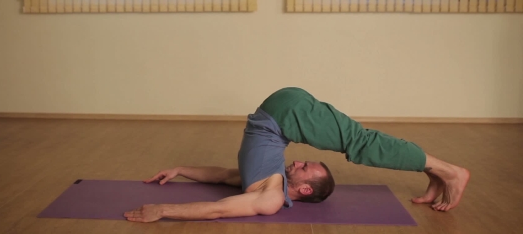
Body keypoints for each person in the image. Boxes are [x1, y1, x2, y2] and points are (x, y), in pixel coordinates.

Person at [125, 87, 470, 222]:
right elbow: (220, 194)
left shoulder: (268, 195)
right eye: (308, 162)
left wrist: (167, 198)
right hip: (284, 113)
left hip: (284, 112)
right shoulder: (269, 187)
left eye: (306, 167)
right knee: (362, 143)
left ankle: (444, 171)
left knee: (362, 143)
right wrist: (172, 191)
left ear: (304, 189)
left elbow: (218, 195)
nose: (300, 160)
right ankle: (442, 170)